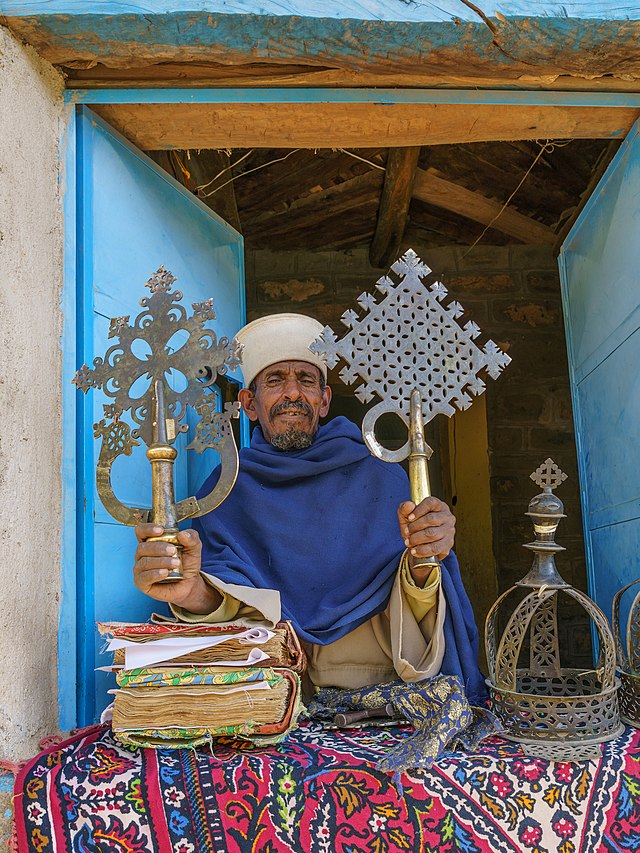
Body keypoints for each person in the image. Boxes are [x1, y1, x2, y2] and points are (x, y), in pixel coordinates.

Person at [133, 313, 485, 703]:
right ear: (249, 404)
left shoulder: (380, 476)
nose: (293, 394)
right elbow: (226, 601)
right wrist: (188, 592)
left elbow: (412, 594)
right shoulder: (226, 487)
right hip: (272, 695)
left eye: (305, 379)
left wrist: (426, 554)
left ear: (324, 400)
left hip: (377, 692)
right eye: (274, 380)